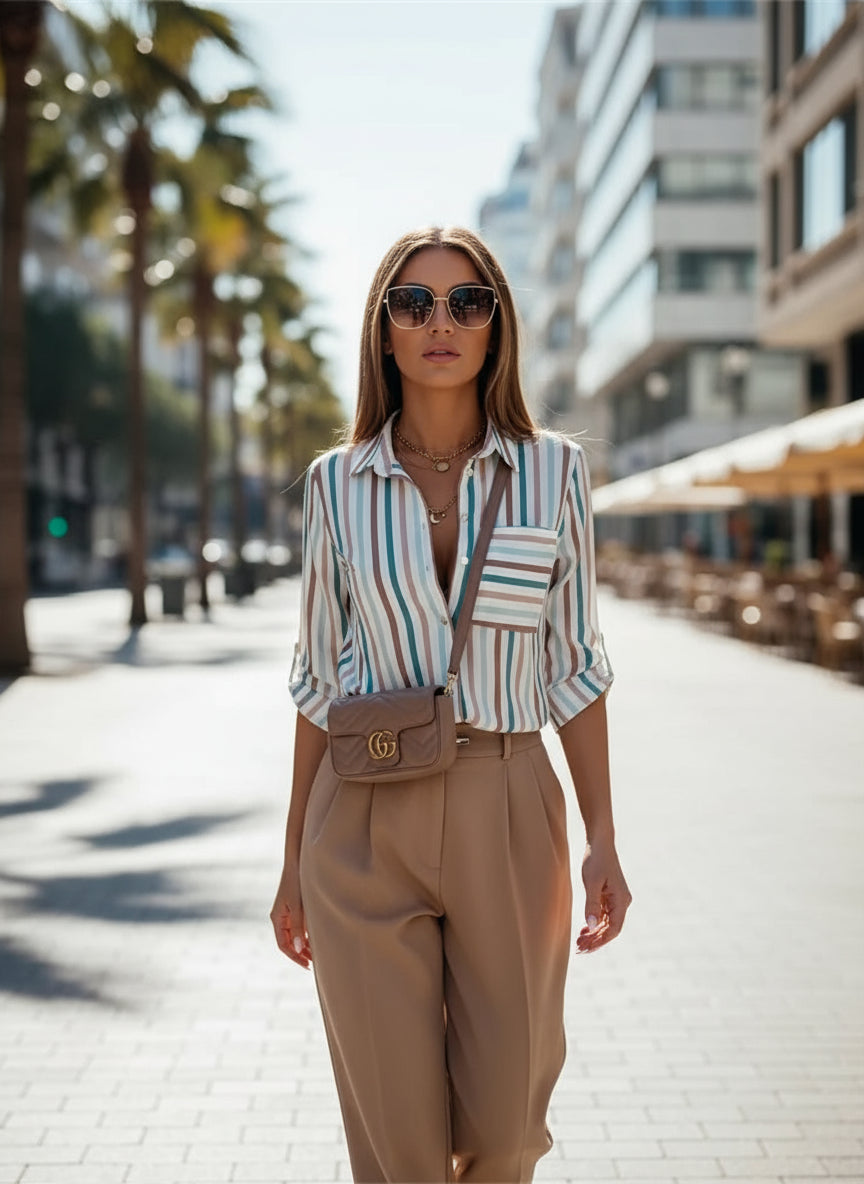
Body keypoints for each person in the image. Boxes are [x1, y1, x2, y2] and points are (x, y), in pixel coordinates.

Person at [271, 225, 631, 1184]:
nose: (442, 322)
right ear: (384, 331)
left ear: (496, 326)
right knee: (401, 1151)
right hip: (363, 816)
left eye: (468, 302)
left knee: (509, 1130)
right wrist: (292, 858)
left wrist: (601, 834)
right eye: (414, 303)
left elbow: (575, 666)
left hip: (507, 802)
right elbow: (318, 680)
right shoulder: (335, 486)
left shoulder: (553, 473)